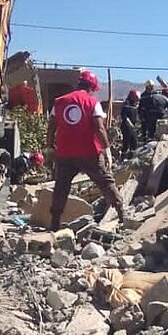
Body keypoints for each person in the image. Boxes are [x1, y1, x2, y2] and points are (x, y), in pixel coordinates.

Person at [45, 70, 124, 230]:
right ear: (91, 87)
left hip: (65, 152)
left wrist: (49, 146)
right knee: (105, 182)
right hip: (89, 152)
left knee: (61, 186)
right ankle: (122, 213)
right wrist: (107, 149)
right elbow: (99, 128)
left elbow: (51, 126)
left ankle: (54, 222)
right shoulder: (92, 102)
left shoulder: (60, 102)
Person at [120, 89, 140, 156]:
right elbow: (124, 116)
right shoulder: (126, 105)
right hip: (126, 127)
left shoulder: (134, 105)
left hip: (133, 127)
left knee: (134, 142)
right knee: (126, 142)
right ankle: (123, 157)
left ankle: (132, 156)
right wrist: (129, 124)